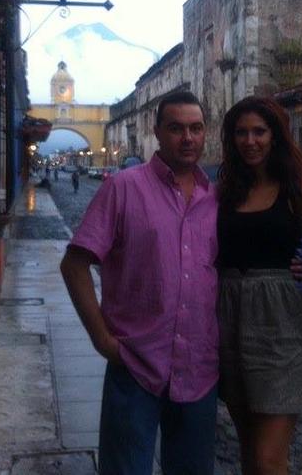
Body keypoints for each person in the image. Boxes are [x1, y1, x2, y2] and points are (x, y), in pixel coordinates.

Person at [60, 91, 218, 475]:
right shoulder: (124, 188)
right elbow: (75, 265)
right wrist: (101, 339)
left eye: (196, 128)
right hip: (136, 366)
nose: (188, 138)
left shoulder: (215, 198)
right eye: (176, 128)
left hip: (199, 371)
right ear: (157, 131)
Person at [216, 96, 302, 475]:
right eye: (241, 132)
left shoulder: (300, 190)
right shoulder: (224, 192)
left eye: (259, 131)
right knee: (248, 451)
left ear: (275, 136)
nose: (250, 141)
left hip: (282, 325)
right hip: (229, 320)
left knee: (269, 458)